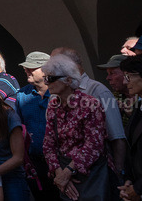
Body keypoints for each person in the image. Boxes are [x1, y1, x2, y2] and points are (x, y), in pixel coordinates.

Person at [52, 46, 128, 179]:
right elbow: (51, 141)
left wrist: (119, 174)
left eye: (55, 65)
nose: (51, 70)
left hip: (96, 175)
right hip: (67, 174)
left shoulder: (98, 91)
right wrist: (60, 173)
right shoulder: (55, 98)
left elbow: (116, 137)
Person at [40, 54, 109, 201]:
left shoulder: (90, 104)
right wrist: (59, 174)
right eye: (45, 78)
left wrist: (68, 172)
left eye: (51, 78)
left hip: (90, 176)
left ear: (68, 80)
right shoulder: (53, 106)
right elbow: (48, 144)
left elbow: (94, 144)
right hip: (64, 173)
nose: (46, 83)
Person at [15, 53, 55, 201]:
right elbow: (19, 127)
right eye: (26, 68)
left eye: (31, 68)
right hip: (35, 162)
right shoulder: (22, 95)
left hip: (60, 160)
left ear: (46, 70)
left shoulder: (59, 92)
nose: (26, 71)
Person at [116, 55, 142, 201]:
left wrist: (138, 189)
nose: (125, 82)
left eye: (128, 76)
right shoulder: (138, 106)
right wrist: (129, 182)